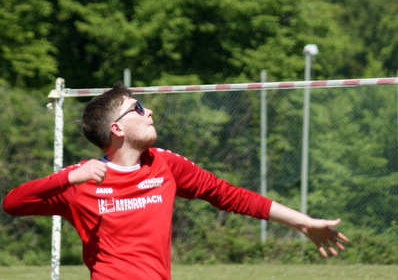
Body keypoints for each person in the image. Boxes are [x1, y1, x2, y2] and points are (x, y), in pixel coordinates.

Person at [3, 83, 348, 280]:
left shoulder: (164, 165)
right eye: (137, 108)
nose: (148, 111)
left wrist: (303, 223)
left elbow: (232, 197)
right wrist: (68, 176)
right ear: (117, 129)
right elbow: (13, 203)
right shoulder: (80, 181)